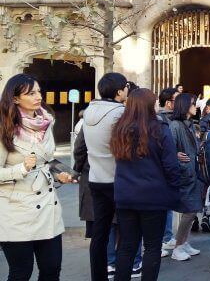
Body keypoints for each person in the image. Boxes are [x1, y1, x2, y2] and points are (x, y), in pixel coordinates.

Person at [0, 74, 75, 281]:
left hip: (47, 209)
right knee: (21, 273)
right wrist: (21, 169)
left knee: (52, 270)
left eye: (39, 91)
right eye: (31, 93)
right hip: (16, 213)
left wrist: (60, 173)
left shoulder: (46, 123)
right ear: (15, 99)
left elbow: (46, 160)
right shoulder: (4, 128)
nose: (38, 96)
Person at [110, 88, 182, 281]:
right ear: (149, 105)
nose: (158, 104)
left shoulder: (120, 129)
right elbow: (171, 166)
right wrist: (174, 191)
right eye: (155, 101)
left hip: (125, 194)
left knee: (126, 245)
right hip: (153, 195)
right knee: (152, 246)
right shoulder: (159, 129)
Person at [83, 72, 129, 281]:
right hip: (117, 179)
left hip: (96, 178)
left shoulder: (89, 111)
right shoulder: (120, 113)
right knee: (127, 233)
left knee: (100, 233)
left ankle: (98, 277)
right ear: (119, 91)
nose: (127, 90)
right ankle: (123, 275)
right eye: (126, 87)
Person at [169, 93, 203, 261]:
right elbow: (168, 149)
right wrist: (176, 155)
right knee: (189, 211)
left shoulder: (188, 124)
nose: (195, 106)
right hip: (185, 174)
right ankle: (178, 246)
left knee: (192, 210)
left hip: (191, 173)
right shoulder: (175, 125)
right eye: (192, 103)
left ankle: (183, 242)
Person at [157, 87, 179, 255]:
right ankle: (164, 238)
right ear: (169, 102)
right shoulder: (163, 120)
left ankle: (167, 236)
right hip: (163, 169)